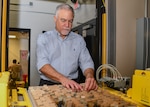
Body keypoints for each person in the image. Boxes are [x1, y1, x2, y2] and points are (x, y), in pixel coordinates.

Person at [36, 3, 98, 91]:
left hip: (73, 84)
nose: (67, 25)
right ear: (55, 19)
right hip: (48, 84)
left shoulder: (79, 40)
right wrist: (63, 79)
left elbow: (86, 62)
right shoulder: (43, 38)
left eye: (70, 21)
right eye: (63, 20)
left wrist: (89, 76)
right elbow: (42, 65)